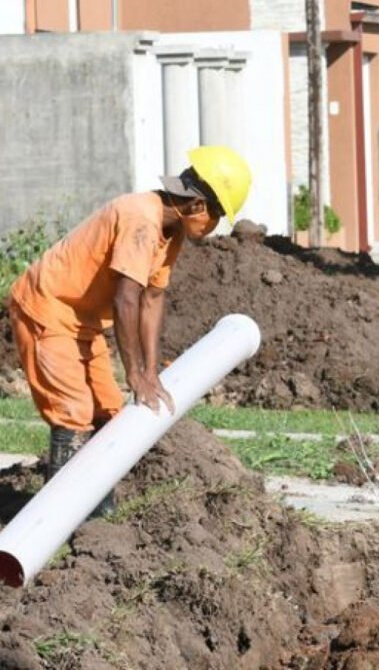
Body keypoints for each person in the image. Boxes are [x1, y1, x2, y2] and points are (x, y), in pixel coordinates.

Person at [6, 145, 252, 514]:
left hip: (82, 322)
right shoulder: (141, 218)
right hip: (47, 309)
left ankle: (97, 514)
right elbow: (127, 300)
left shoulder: (172, 232)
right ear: (198, 206)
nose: (216, 225)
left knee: (108, 413)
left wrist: (151, 371)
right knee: (73, 412)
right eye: (218, 214)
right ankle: (54, 521)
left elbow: (153, 298)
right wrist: (135, 373)